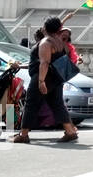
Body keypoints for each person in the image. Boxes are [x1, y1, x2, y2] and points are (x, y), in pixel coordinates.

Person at [12, 16, 79, 144]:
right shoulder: (59, 42)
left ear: (46, 28)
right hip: (56, 78)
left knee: (31, 104)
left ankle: (24, 134)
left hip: (44, 76)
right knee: (57, 104)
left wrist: (41, 81)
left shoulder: (46, 43)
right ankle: (70, 131)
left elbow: (45, 62)